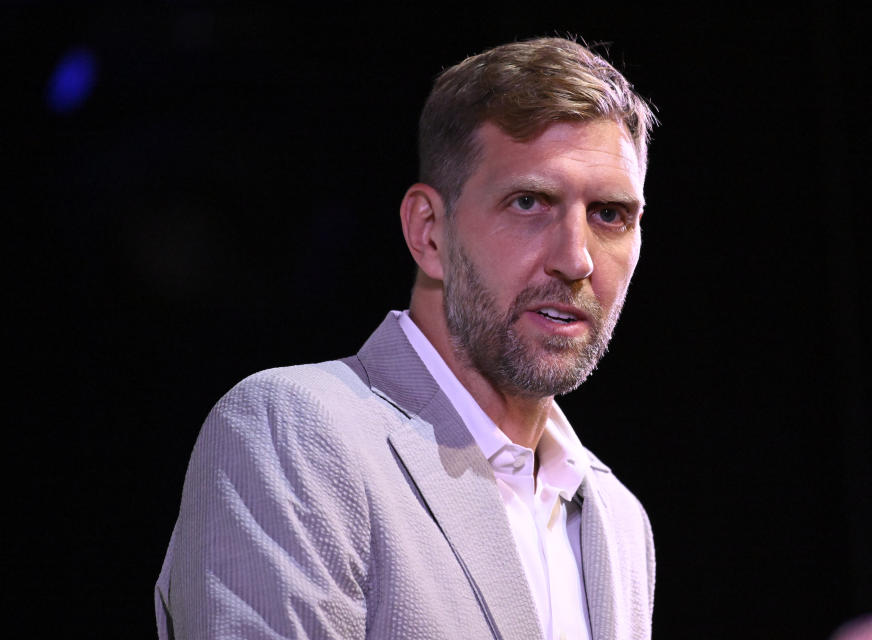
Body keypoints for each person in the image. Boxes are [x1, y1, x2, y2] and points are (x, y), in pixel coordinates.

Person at [155, 36, 657, 640]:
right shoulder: (293, 432)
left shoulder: (620, 523)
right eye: (529, 202)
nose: (576, 258)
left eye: (609, 214)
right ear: (428, 232)